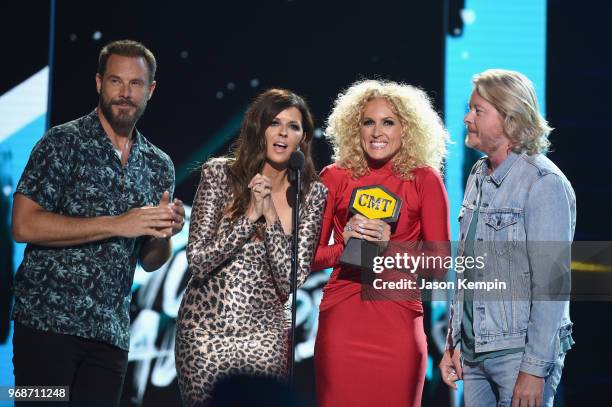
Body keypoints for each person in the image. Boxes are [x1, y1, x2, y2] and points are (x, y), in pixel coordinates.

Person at [11, 40, 184, 407]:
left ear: (150, 90)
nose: (124, 93)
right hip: (45, 327)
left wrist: (164, 232)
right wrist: (118, 224)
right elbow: (24, 225)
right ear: (98, 83)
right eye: (115, 81)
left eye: (135, 84)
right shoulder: (60, 142)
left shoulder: (158, 165)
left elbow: (150, 260)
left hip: (111, 337)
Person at [175, 89, 327, 406]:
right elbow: (199, 261)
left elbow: (290, 279)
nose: (284, 132)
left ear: (303, 138)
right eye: (275, 122)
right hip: (206, 332)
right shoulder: (219, 174)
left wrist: (269, 212)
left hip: (267, 337)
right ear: (259, 127)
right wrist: (248, 218)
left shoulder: (312, 194)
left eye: (294, 126)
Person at [439, 69, 576, 407]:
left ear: (509, 118)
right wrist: (453, 343)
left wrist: (534, 369)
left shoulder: (543, 183)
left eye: (478, 110)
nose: (467, 118)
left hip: (516, 357)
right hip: (473, 353)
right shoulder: (477, 174)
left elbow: (552, 285)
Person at [313, 79, 451, 407]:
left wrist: (392, 249)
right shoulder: (333, 177)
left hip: (398, 325)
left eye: (388, 122)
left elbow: (439, 267)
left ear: (407, 130)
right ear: (354, 128)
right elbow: (309, 258)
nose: (377, 131)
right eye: (368, 122)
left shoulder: (425, 179)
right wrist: (344, 244)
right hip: (342, 323)